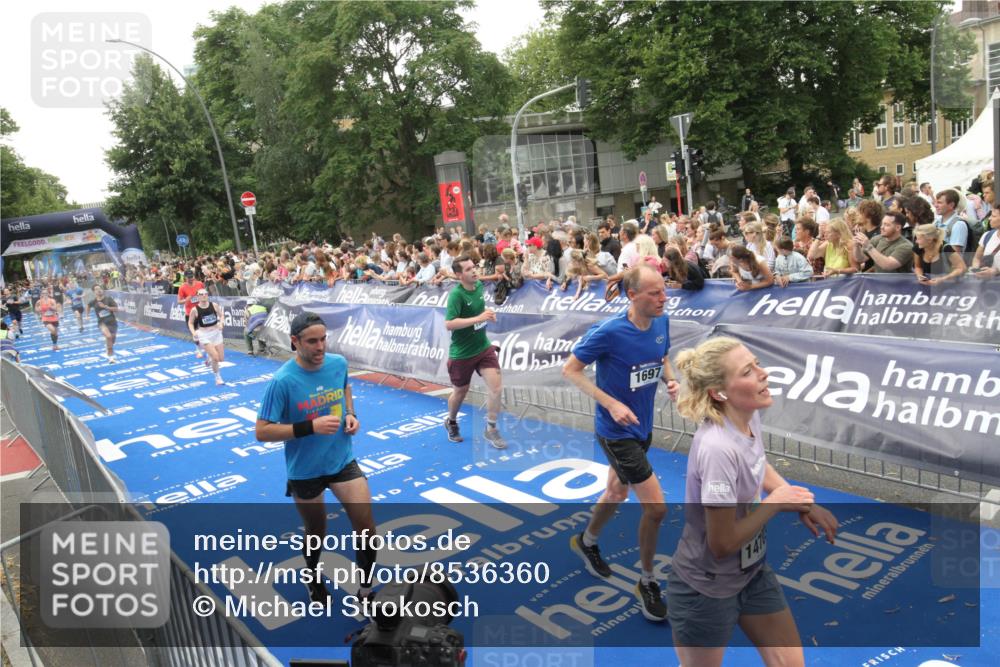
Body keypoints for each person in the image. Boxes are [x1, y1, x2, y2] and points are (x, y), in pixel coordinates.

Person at [667, 336, 837, 666]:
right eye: (748, 371)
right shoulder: (718, 449)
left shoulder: (747, 417)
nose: (764, 373)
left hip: (751, 574)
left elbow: (759, 466)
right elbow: (721, 543)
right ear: (720, 392)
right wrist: (775, 503)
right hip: (706, 589)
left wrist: (802, 501)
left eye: (757, 363)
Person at [562, 263, 679, 623]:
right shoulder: (610, 332)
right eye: (655, 293)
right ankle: (647, 581)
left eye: (664, 290)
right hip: (616, 432)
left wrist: (670, 381)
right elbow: (570, 370)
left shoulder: (661, 321)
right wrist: (611, 403)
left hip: (642, 426)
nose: (664, 298)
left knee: (615, 493)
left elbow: (661, 357)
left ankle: (587, 541)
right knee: (657, 509)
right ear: (633, 296)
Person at [255, 312, 376, 607]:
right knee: (316, 532)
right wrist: (310, 427)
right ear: (295, 342)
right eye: (312, 341)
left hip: (341, 459)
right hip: (305, 470)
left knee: (367, 528)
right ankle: (313, 575)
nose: (320, 347)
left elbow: (345, 387)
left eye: (323, 339)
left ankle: (366, 589)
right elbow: (262, 431)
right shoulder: (281, 381)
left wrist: (351, 414)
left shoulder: (337, 364)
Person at [443, 255, 506, 449]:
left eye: (474, 266)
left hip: (483, 348)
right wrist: (479, 318)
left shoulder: (478, 286)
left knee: (496, 388)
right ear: (459, 275)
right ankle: (451, 421)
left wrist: (487, 313)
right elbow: (449, 324)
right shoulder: (456, 295)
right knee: (460, 391)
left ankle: (491, 429)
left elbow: (478, 311)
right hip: (462, 353)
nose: (474, 271)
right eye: (469, 269)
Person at [187, 288, 227, 385]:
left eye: (205, 294)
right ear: (198, 297)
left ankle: (209, 358)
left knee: (221, 358)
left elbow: (221, 316)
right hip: (204, 335)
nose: (204, 295)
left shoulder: (214, 305)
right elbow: (190, 323)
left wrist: (221, 323)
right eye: (201, 294)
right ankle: (218, 378)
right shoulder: (194, 310)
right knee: (216, 358)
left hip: (216, 332)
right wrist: (194, 333)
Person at [177, 270, 206, 359]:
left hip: (201, 310)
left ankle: (206, 348)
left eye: (192, 276)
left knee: (204, 332)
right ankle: (198, 350)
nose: (191, 279)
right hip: (190, 313)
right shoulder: (182, 287)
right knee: (195, 333)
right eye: (189, 277)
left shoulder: (200, 284)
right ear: (185, 278)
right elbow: (179, 301)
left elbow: (205, 294)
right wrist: (186, 300)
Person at [86, 285, 119, 362]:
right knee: (108, 336)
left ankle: (108, 347)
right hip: (102, 323)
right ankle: (111, 357)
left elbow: (116, 309)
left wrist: (106, 307)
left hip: (112, 322)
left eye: (100, 288)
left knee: (112, 339)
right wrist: (87, 315)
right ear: (94, 292)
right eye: (96, 289)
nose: (99, 290)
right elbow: (87, 306)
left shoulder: (108, 299)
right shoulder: (93, 302)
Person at [970, 202, 1000, 279]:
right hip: (987, 286)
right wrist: (976, 269)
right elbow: (977, 258)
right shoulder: (987, 235)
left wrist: (996, 271)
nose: (989, 218)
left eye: (993, 216)